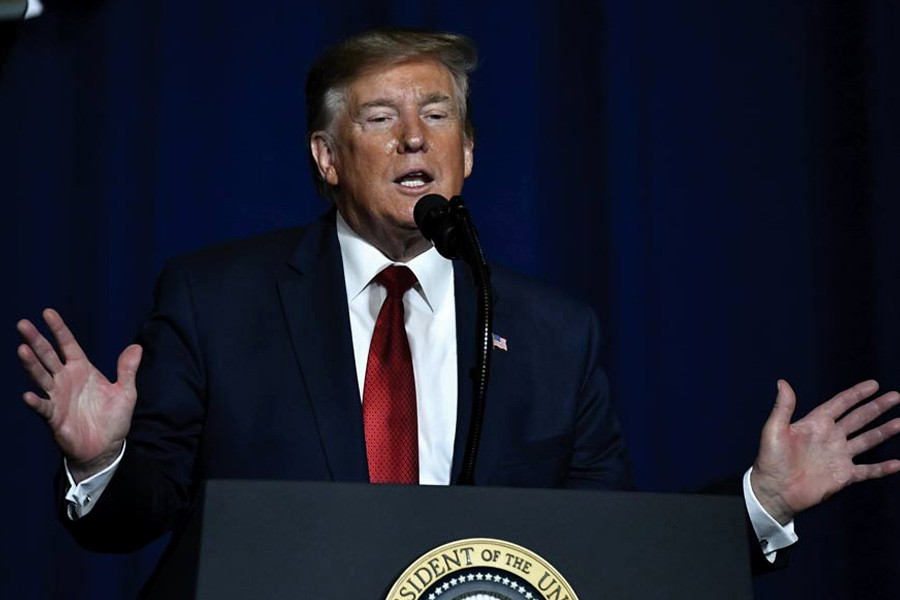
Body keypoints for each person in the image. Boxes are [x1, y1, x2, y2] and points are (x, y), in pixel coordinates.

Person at [16, 28, 900, 578]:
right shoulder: (214, 298)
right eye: (380, 118)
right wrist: (103, 464)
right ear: (326, 158)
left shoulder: (554, 334)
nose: (414, 137)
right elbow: (138, 521)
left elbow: (611, 549)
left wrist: (760, 504)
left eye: (437, 115)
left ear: (468, 153)